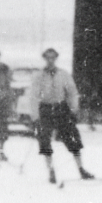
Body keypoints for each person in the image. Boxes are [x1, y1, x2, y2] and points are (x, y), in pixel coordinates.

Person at [27, 48, 93, 183]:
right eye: (48, 58)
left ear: (56, 58)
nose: (50, 60)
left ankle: (81, 169)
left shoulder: (63, 74)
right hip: (45, 109)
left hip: (61, 108)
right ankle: (51, 171)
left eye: (53, 58)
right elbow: (33, 97)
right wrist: (35, 117)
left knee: (72, 137)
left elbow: (72, 93)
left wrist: (74, 110)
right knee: (44, 139)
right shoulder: (39, 76)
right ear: (45, 59)